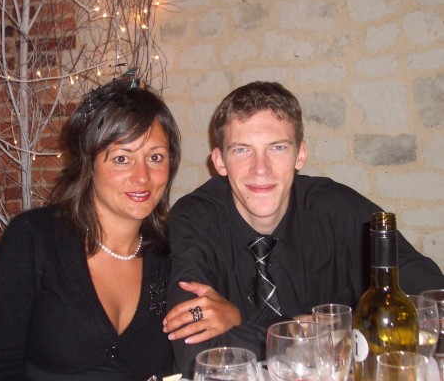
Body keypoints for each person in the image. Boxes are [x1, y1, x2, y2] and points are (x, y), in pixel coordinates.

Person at [163, 81, 444, 378]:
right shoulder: (195, 218)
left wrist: (244, 325)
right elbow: (194, 356)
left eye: (278, 148)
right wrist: (305, 328)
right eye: (242, 150)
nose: (261, 169)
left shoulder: (338, 210)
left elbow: (432, 306)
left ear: (300, 154)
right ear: (220, 161)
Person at [0, 76, 181, 380]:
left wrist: (226, 315)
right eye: (122, 158)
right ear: (88, 164)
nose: (142, 176)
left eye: (155, 157)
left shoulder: (172, 253)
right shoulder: (32, 239)